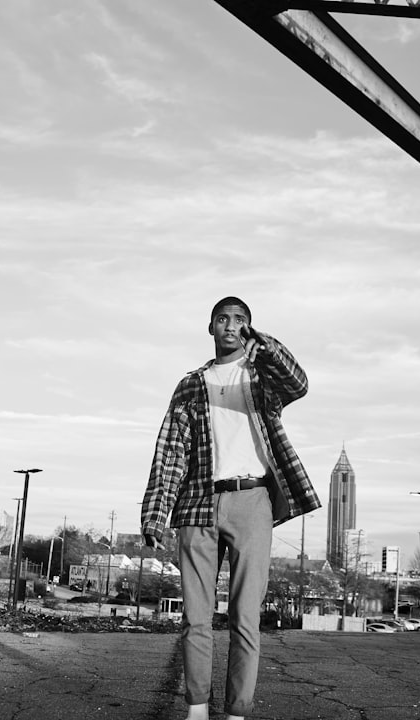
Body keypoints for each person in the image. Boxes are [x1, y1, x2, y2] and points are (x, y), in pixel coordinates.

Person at [141, 296, 321, 720]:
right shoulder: (189, 385)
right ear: (210, 327)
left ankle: (237, 711)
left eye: (240, 320)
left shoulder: (262, 377)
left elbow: (299, 382)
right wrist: (155, 512)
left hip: (252, 501)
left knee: (245, 617)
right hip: (197, 501)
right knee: (196, 616)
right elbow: (170, 453)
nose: (230, 325)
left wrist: (265, 345)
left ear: (248, 328)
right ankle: (197, 709)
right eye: (223, 318)